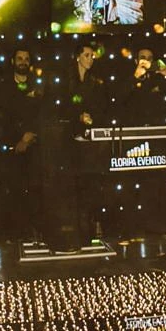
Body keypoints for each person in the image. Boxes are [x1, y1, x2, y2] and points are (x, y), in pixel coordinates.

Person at [60, 42, 107, 245]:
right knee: (73, 186)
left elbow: (100, 107)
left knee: (89, 184)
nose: (90, 59)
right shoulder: (67, 80)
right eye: (87, 55)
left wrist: (90, 117)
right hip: (69, 139)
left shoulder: (94, 81)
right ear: (78, 57)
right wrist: (78, 116)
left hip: (89, 140)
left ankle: (89, 227)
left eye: (92, 56)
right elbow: (62, 106)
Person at [0, 47, 44, 239]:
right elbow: (2, 117)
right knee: (14, 192)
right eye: (19, 58)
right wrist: (19, 138)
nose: (23, 62)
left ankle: (35, 232)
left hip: (35, 146)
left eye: (26, 58)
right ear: (13, 62)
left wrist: (30, 136)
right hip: (11, 147)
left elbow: (43, 114)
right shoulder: (3, 87)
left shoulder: (38, 86)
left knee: (35, 191)